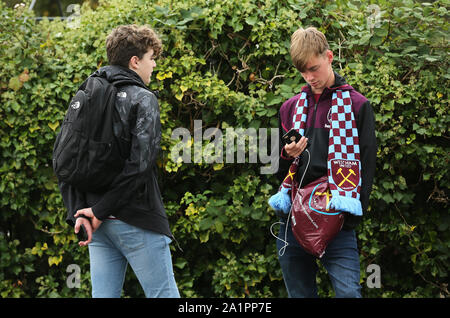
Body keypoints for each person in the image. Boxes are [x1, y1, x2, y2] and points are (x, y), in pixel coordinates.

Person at [58, 24, 180, 298]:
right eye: (152, 58)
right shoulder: (143, 98)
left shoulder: (88, 92)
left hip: (97, 224)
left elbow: (65, 160)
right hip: (135, 218)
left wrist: (82, 212)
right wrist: (100, 211)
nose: (155, 65)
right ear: (135, 61)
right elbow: (140, 165)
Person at [273, 27, 377, 297]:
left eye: (314, 68)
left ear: (329, 56)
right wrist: (289, 155)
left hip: (337, 216)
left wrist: (349, 220)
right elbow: (277, 167)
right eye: (302, 72)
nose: (309, 77)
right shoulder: (289, 108)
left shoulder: (357, 105)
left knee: (348, 294)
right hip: (293, 219)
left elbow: (367, 165)